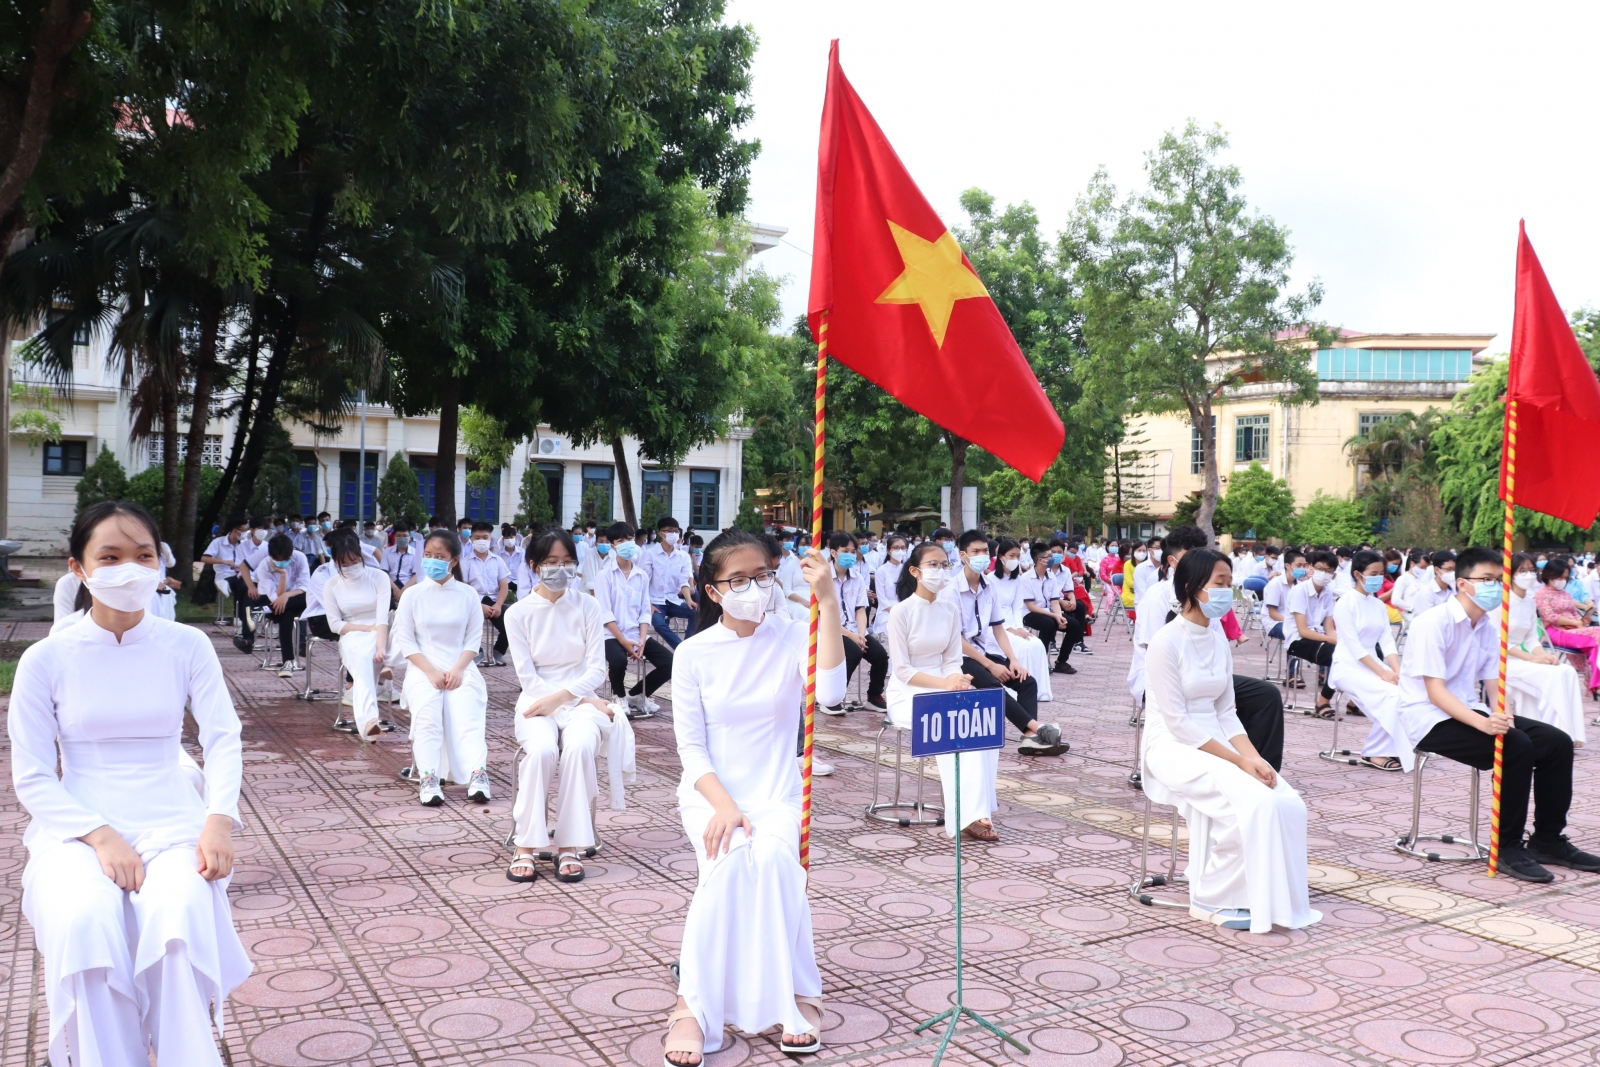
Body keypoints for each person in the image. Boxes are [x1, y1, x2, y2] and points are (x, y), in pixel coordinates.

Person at [10, 500, 250, 1066]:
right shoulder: (45, 659)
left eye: (143, 556)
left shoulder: (185, 644)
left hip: (172, 819)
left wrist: (218, 820)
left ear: (159, 564)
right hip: (77, 823)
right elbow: (34, 777)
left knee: (176, 925)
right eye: (110, 556)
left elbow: (222, 738)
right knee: (85, 924)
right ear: (79, 568)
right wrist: (100, 836)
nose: (129, 569)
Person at [662, 531, 843, 1065]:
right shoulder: (693, 654)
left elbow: (830, 696)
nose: (754, 588)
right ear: (713, 592)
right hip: (712, 794)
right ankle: (690, 1007)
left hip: (777, 791)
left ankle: (798, 996)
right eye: (738, 580)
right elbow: (691, 750)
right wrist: (723, 805)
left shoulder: (792, 636)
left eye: (762, 576)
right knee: (731, 858)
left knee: (772, 858)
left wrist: (827, 599)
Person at [1142, 548, 1320, 933]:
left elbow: (1226, 712)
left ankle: (1268, 895)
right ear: (1192, 587)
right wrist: (1238, 763)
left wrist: (1255, 760)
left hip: (1217, 736)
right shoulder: (1166, 642)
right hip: (1172, 745)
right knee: (1249, 803)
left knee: (1286, 801)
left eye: (1230, 584)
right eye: (1219, 585)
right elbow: (1178, 722)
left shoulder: (1217, 636)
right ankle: (1211, 897)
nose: (1227, 592)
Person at [1397, 547, 1600, 883]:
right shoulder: (1432, 623)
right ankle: (1506, 846)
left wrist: (1500, 714)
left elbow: (1494, 685)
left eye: (1497, 580)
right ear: (1463, 583)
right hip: (1429, 718)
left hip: (1469, 710)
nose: (1494, 586)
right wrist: (1485, 723)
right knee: (1515, 745)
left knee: (1556, 742)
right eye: (1486, 580)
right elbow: (1435, 692)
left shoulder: (1488, 627)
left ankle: (1548, 840)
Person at [506, 529, 631, 883]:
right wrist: (561, 700)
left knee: (577, 748)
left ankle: (569, 844)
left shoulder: (587, 605)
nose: (560, 570)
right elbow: (527, 676)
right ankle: (525, 844)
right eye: (551, 563)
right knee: (543, 751)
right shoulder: (517, 613)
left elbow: (596, 668)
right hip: (535, 701)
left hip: (578, 703)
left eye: (567, 562)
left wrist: (567, 699)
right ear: (534, 566)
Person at [886, 541, 1003, 840]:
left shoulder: (950, 610)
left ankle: (979, 810)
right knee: (952, 727)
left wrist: (957, 679)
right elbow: (902, 670)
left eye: (944, 565)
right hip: (908, 691)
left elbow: (952, 659)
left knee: (981, 723)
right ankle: (966, 815)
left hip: (943, 685)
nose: (940, 571)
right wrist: (945, 684)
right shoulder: (901, 612)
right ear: (915, 571)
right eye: (933, 565)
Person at [392, 530, 490, 806]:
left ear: (454, 560)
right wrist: (431, 671)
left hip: (462, 668)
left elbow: (473, 639)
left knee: (467, 714)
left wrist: (459, 669)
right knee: (428, 715)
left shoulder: (468, 594)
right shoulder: (412, 595)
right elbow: (406, 641)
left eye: (439, 557)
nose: (432, 561)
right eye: (427, 555)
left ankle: (478, 775)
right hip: (423, 670)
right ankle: (429, 778)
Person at [946, 530, 1065, 757]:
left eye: (984, 551)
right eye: (975, 551)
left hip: (984, 650)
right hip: (958, 656)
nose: (982, 555)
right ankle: (1038, 728)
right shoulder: (951, 591)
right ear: (963, 555)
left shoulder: (988, 587)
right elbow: (955, 639)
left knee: (1026, 681)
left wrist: (1013, 660)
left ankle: (1030, 737)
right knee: (992, 685)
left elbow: (998, 627)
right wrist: (990, 666)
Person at [1329, 550, 1404, 771]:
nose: (1378, 578)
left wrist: (1397, 671)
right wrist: (1384, 674)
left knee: (1406, 692)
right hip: (1348, 666)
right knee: (1392, 696)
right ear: (1358, 574)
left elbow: (1388, 641)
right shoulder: (1345, 603)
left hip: (1373, 665)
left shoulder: (1378, 605)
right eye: (1374, 573)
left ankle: (1392, 747)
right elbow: (1355, 647)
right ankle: (1374, 752)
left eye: (1381, 573)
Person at [322, 528, 397, 742]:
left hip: (381, 630)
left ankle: (369, 723)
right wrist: (365, 630)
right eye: (344, 564)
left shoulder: (379, 577)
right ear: (335, 562)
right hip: (353, 633)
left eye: (354, 561)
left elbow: (382, 617)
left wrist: (381, 646)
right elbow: (335, 624)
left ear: (361, 557)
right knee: (364, 658)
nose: (351, 567)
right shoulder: (332, 585)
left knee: (376, 649)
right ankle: (383, 671)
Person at [1506, 552, 1587, 744]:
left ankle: (1571, 735)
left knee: (1566, 671)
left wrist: (1544, 656)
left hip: (1523, 657)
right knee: (1553, 676)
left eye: (1531, 571)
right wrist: (1533, 659)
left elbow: (1532, 637)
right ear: (1510, 574)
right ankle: (1555, 736)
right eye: (1522, 571)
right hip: (1503, 660)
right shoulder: (1501, 602)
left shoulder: (1529, 601)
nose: (1527, 575)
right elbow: (1498, 642)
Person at [596, 521, 674, 702]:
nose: (627, 544)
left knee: (670, 662)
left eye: (630, 539)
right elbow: (605, 614)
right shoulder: (604, 576)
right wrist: (624, 642)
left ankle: (637, 694)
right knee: (618, 661)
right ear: (613, 546)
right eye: (621, 540)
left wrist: (641, 640)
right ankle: (619, 696)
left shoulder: (641, 575)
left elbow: (645, 611)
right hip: (611, 635)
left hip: (637, 633)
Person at [820, 531, 888, 714]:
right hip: (831, 631)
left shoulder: (857, 578)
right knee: (853, 652)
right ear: (833, 552)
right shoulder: (823, 578)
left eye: (852, 551)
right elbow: (823, 616)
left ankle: (874, 696)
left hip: (854, 630)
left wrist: (861, 633)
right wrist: (852, 636)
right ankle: (832, 697)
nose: (850, 555)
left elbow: (860, 609)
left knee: (880, 655)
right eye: (845, 550)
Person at [990, 537, 1053, 701]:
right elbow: (992, 611)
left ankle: (1040, 691)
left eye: (1018, 556)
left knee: (1036, 644)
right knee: (1023, 647)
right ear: (1001, 556)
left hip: (1015, 623)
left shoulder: (1017, 579)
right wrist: (1009, 628)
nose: (1015, 560)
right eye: (1011, 556)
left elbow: (1017, 608)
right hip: (996, 627)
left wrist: (1019, 628)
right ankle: (1018, 691)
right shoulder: (990, 580)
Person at [1535, 556, 1600, 696]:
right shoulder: (1541, 594)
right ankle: (1595, 684)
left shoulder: (1565, 593)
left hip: (1574, 630)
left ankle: (1596, 683)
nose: (1562, 581)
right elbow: (1550, 617)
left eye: (1565, 577)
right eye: (1559, 577)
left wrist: (1582, 621)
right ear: (1549, 575)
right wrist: (1576, 623)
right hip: (1555, 631)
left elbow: (1573, 612)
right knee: (1598, 633)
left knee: (1595, 644)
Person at [250, 533, 311, 676]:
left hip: (296, 598)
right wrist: (282, 574)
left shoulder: (300, 558)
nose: (281, 561)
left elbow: (304, 586)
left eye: (284, 559)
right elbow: (275, 597)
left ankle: (260, 610)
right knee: (286, 615)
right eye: (277, 560)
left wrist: (286, 595)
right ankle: (287, 662)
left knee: (305, 599)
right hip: (276, 603)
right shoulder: (264, 566)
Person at [1287, 549, 1339, 715]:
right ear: (1310, 568)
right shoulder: (1299, 591)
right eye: (1320, 569)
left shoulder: (1327, 593)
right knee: (1337, 656)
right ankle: (1323, 703)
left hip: (1319, 638)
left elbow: (1329, 628)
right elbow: (1303, 631)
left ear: (1334, 575)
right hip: (1298, 641)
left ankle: (1354, 702)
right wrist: (1334, 641)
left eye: (1328, 571)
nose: (1323, 574)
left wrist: (1344, 641)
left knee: (1355, 652)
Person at [643, 516, 697, 649]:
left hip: (673, 600)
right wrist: (648, 604)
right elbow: (643, 582)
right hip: (655, 601)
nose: (673, 534)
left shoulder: (683, 556)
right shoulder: (650, 554)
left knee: (696, 612)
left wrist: (689, 600)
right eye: (670, 531)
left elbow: (683, 581)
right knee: (659, 624)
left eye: (676, 531)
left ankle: (687, 645)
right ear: (661, 533)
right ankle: (681, 648)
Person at [462, 521, 511, 666]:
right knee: (463, 623)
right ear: (471, 539)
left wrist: (498, 605)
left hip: (495, 601)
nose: (481, 541)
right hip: (474, 601)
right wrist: (479, 605)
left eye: (485, 537)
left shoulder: (498, 561)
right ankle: (477, 651)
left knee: (511, 622)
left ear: (490, 539)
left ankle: (499, 652)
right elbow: (464, 588)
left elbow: (504, 586)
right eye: (477, 538)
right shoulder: (465, 562)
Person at [200, 517, 253, 627]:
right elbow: (204, 558)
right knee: (240, 584)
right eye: (244, 530)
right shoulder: (218, 542)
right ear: (235, 530)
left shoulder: (245, 543)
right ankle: (238, 617)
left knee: (245, 585)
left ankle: (240, 617)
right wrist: (223, 561)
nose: (246, 533)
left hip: (240, 574)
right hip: (224, 574)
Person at [869, 534, 908, 641]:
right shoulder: (882, 571)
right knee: (898, 635)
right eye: (896, 547)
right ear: (889, 551)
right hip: (887, 610)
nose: (900, 550)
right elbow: (882, 598)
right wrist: (895, 611)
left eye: (903, 548)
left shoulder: (906, 570)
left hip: (905, 608)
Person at [1261, 548, 1302, 640]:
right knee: (1298, 635)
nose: (1302, 569)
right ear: (1287, 566)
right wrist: (1295, 623)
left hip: (1293, 621)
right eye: (1299, 565)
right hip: (1274, 623)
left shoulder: (1300, 585)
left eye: (1304, 566)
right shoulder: (1276, 584)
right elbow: (1273, 614)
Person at [1411, 549, 1457, 616]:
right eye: (1449, 569)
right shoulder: (1426, 594)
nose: (1453, 573)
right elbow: (1427, 621)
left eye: (1454, 569)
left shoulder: (1454, 590)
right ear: (1437, 570)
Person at [383, 522, 420, 599]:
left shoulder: (416, 553)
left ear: (410, 537)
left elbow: (416, 575)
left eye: (405, 536)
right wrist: (395, 589)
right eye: (398, 536)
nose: (402, 538)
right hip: (389, 585)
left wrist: (403, 591)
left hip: (408, 586)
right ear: (394, 537)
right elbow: (384, 572)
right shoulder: (387, 551)